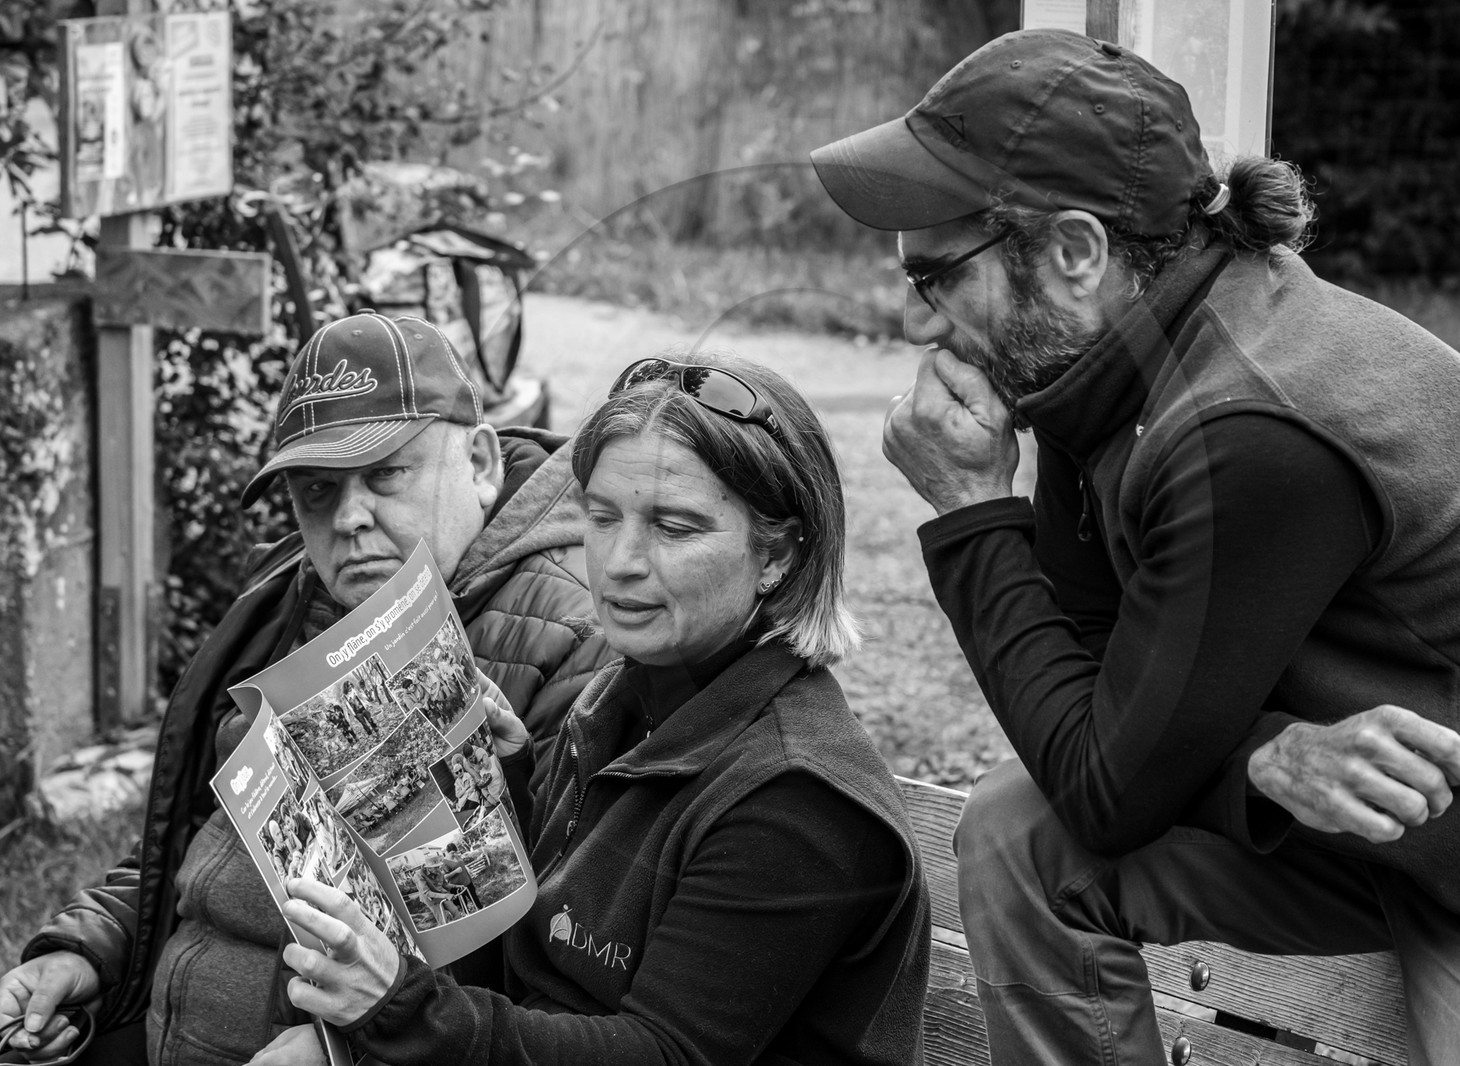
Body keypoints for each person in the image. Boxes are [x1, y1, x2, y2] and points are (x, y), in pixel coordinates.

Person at [811, 28, 1460, 1066]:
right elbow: (1096, 706)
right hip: (1392, 828)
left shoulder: (1245, 425)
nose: (916, 327)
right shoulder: (1107, 363)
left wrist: (968, 509)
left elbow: (1109, 786)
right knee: (1018, 836)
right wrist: (1262, 760)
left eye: (936, 279)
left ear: (1077, 253)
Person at [257, 348, 932, 1065]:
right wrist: (502, 791)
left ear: (778, 556)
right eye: (603, 517)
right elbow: (530, 969)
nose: (620, 562)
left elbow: (663, 1054)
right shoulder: (616, 704)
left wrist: (395, 1010)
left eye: (675, 528)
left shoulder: (796, 800)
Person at [0, 311, 613, 1066]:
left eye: (386, 474)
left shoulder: (575, 643)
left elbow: (557, 967)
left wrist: (351, 1049)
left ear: (480, 463)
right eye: (317, 490)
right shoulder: (287, 600)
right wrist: (88, 949)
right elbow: (199, 840)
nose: (349, 519)